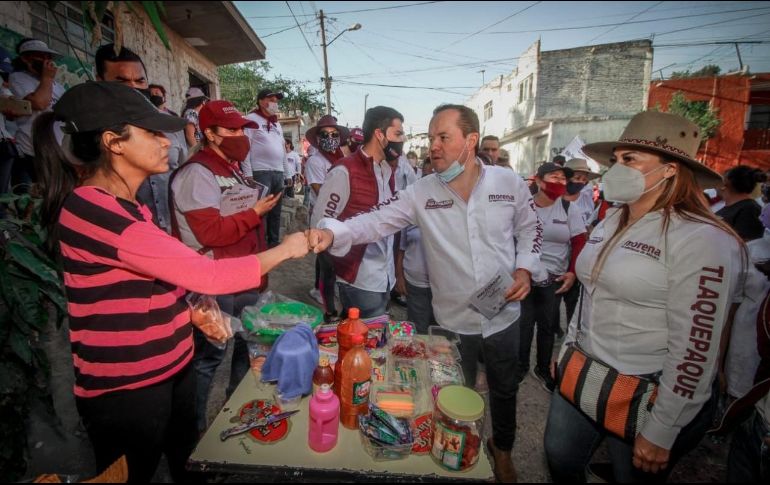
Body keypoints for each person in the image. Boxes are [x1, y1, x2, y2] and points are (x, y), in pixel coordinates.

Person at [32, 81, 308, 483]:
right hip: (129, 386)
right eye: (152, 133)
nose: (167, 142)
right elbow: (208, 272)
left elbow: (158, 274)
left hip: (171, 366)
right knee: (132, 472)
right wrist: (288, 248)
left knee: (188, 457)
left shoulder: (129, 203)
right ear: (114, 142)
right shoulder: (93, 210)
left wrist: (190, 306)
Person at [308, 104, 542, 482]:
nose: (433, 145)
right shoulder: (421, 191)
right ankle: (457, 454)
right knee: (452, 395)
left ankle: (502, 449)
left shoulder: (507, 183)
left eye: (443, 137)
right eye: (431, 137)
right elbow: (374, 221)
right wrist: (334, 233)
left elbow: (530, 229)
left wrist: (525, 268)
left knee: (503, 389)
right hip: (451, 320)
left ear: (471, 140)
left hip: (504, 315)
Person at [543, 111, 745, 483]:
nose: (615, 169)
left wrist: (663, 427)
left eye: (630, 160)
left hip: (645, 391)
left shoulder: (702, 240)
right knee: (559, 457)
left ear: (670, 170)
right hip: (585, 369)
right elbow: (590, 293)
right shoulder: (611, 220)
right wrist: (567, 349)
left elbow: (697, 345)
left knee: (629, 476)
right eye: (616, 160)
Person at [170, 99, 279, 434]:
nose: (240, 137)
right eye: (231, 130)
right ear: (210, 134)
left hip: (241, 274)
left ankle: (238, 409)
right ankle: (194, 434)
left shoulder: (231, 168)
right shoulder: (196, 173)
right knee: (208, 359)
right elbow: (210, 232)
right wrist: (255, 214)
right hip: (213, 280)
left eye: (242, 130)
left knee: (248, 347)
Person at [311, 106, 406, 319]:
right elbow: (320, 225)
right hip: (359, 277)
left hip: (384, 276)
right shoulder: (345, 171)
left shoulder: (387, 170)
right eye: (398, 133)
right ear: (380, 135)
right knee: (363, 341)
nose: (403, 139)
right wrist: (337, 268)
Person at [95, 44, 189, 234]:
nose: (132, 88)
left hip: (174, 228)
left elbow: (181, 170)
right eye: (121, 82)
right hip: (126, 232)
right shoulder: (90, 131)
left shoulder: (170, 123)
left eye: (140, 81)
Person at [518, 162, 586, 392]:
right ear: (538, 180)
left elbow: (579, 241)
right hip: (525, 275)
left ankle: (543, 368)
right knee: (524, 324)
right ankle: (520, 366)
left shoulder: (568, 209)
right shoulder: (524, 206)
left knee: (547, 326)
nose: (559, 182)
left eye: (563, 178)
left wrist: (573, 272)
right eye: (553, 177)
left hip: (554, 280)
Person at [305, 115, 349, 319]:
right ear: (318, 138)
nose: (330, 137)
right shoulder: (315, 161)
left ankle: (320, 289)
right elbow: (319, 190)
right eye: (325, 134)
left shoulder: (342, 158)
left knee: (327, 263)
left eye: (334, 134)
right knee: (328, 266)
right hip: (323, 217)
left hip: (340, 218)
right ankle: (329, 309)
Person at [9, 38, 64, 189]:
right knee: (27, 198)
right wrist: (46, 78)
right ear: (26, 59)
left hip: (54, 149)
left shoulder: (57, 86)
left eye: (48, 57)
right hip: (29, 149)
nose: (46, 61)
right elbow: (39, 103)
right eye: (40, 57)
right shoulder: (18, 78)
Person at [242, 88, 293, 248]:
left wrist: (288, 173)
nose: (274, 104)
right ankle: (259, 243)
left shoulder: (276, 123)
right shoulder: (251, 119)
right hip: (260, 171)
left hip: (278, 172)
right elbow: (245, 148)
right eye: (271, 100)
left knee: (276, 211)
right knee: (261, 211)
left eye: (276, 101)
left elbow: (282, 150)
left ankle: (273, 242)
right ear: (261, 101)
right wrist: (248, 173)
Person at [395, 158, 435, 334]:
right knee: (418, 334)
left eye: (434, 175)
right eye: (426, 174)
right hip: (415, 283)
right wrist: (399, 276)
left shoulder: (453, 208)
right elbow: (401, 247)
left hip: (443, 286)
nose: (430, 180)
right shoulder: (411, 207)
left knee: (440, 336)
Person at [716, 165, 766, 242]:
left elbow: (746, 245)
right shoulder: (728, 205)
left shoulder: (749, 209)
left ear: (726, 183)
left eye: (720, 178)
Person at [0, 46, 20, 199]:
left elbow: (12, 109)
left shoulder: (3, 87)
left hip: (4, 143)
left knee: (3, 195)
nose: (4, 80)